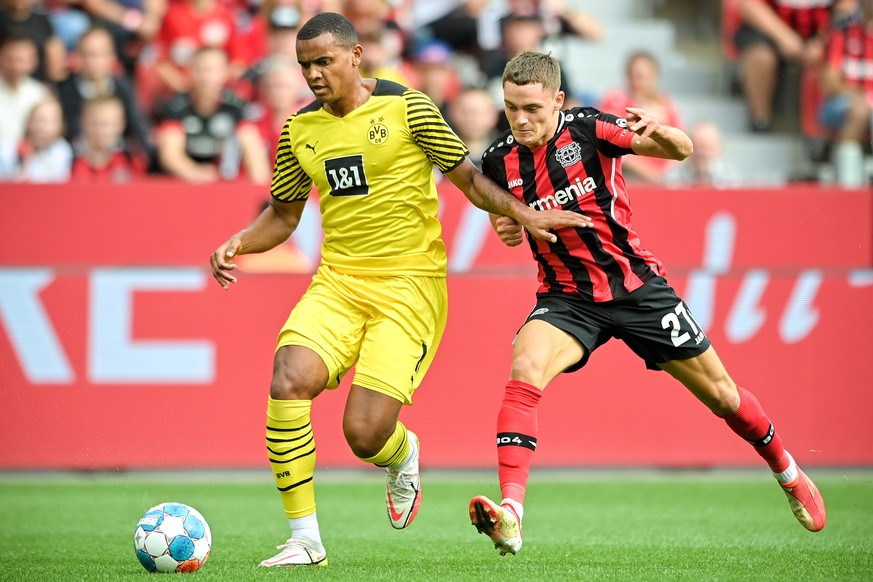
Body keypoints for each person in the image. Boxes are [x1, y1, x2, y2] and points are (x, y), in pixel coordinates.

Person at [208, 13, 588, 568]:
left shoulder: (409, 107)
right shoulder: (298, 130)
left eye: (324, 62)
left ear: (356, 55)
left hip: (409, 287)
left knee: (363, 435)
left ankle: (401, 451)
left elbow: (470, 180)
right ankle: (305, 539)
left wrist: (523, 213)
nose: (313, 75)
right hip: (337, 282)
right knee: (289, 378)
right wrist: (240, 241)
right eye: (304, 65)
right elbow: (285, 216)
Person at [466, 51, 827, 558]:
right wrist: (508, 223)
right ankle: (511, 516)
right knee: (524, 367)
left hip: (637, 288)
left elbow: (678, 152)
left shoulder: (590, 129)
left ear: (558, 101)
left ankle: (787, 472)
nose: (521, 120)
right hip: (567, 297)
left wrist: (661, 132)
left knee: (723, 396)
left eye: (533, 109)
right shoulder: (499, 158)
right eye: (511, 108)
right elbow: (502, 215)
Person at [155, 46, 271, 183]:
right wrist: (196, 173)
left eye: (214, 70)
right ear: (190, 71)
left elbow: (253, 151)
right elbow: (170, 155)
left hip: (225, 183)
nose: (207, 77)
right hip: (184, 184)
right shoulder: (175, 106)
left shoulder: (236, 107)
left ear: (225, 73)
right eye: (202, 70)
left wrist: (263, 188)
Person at [734, 0, 832, 132]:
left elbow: (847, 10)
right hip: (771, 29)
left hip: (821, 34)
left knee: (836, 59)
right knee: (760, 56)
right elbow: (749, 6)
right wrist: (784, 36)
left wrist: (822, 41)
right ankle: (760, 119)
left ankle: (823, 131)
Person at [599, 51, 683, 184]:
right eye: (634, 75)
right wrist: (653, 176)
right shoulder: (616, 101)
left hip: (666, 177)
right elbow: (610, 141)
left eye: (643, 76)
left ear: (654, 76)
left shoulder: (666, 104)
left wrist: (667, 173)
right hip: (628, 177)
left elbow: (680, 139)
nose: (638, 81)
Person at [819, 0, 872, 187]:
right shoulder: (843, 32)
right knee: (859, 111)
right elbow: (829, 82)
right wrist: (858, 95)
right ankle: (848, 185)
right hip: (839, 104)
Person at [70, 95, 147, 181]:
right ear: (82, 123)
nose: (102, 131)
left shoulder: (130, 157)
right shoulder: (69, 158)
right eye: (95, 124)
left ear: (121, 124)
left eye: (109, 124)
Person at [0, 96, 72, 182]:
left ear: (60, 126)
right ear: (28, 122)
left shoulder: (61, 151)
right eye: (38, 120)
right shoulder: (7, 150)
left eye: (49, 122)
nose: (42, 128)